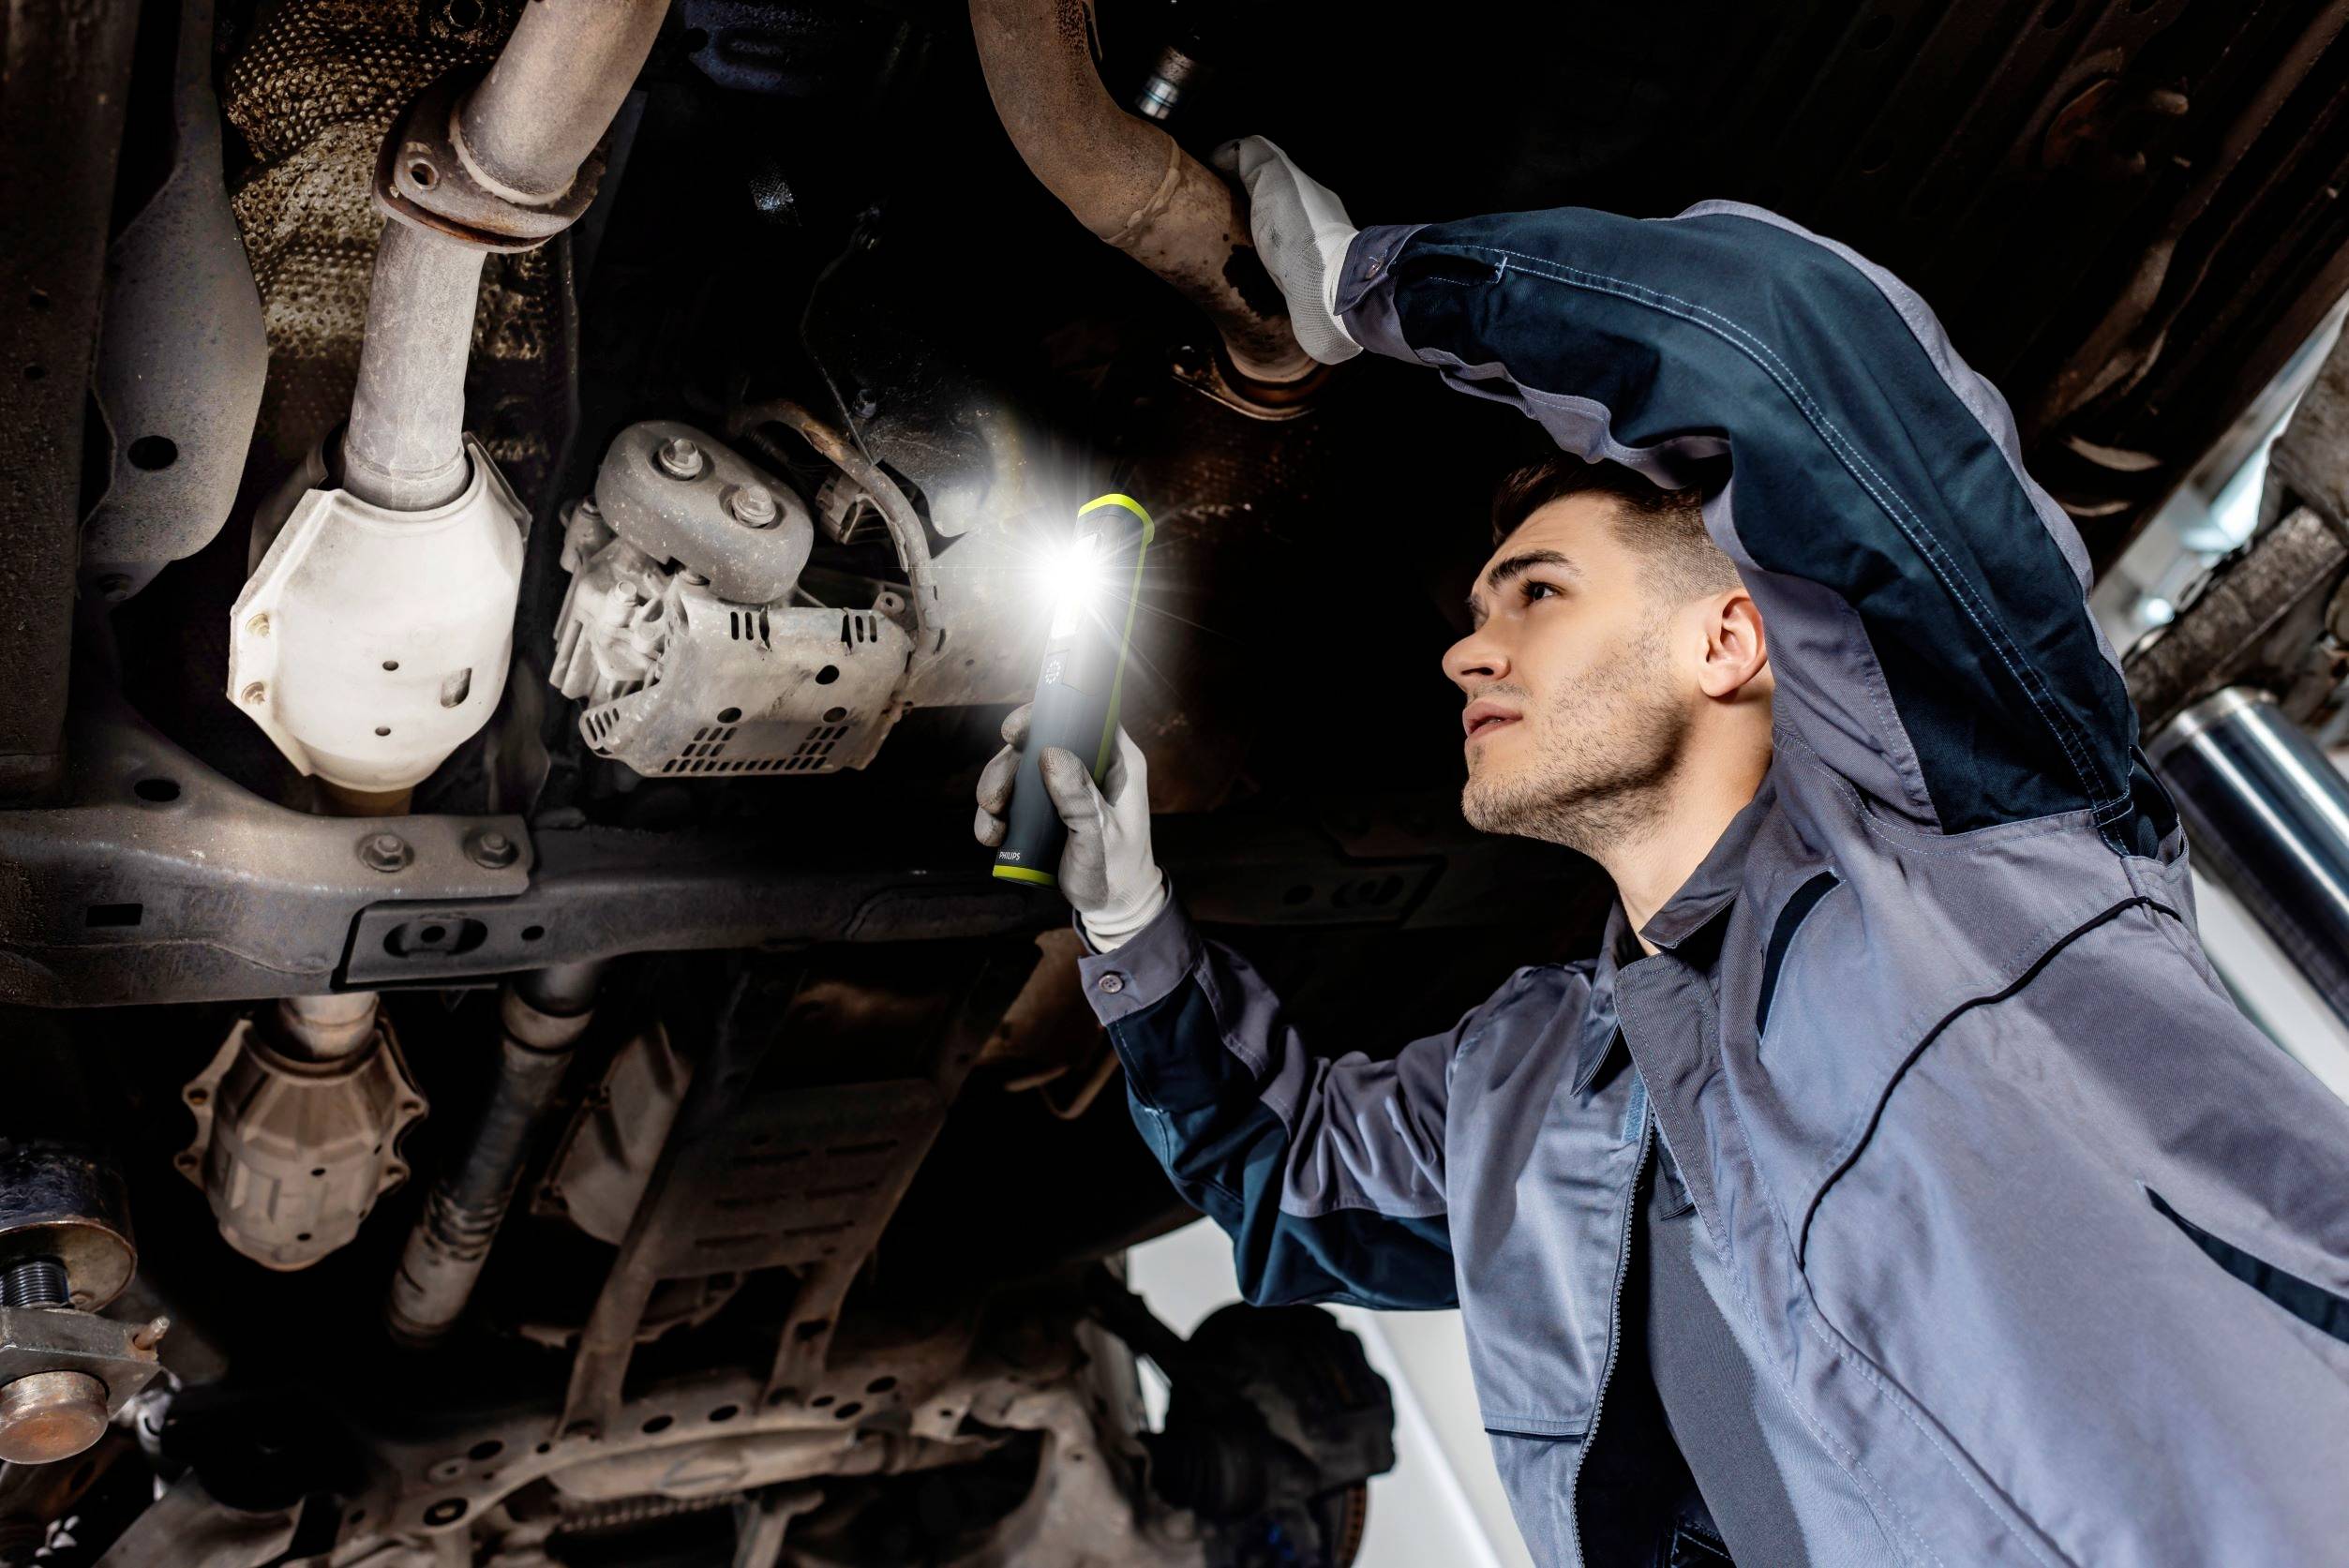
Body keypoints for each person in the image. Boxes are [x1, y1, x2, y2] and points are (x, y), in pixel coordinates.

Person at [972, 137, 2349, 1566]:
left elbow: (1783, 357)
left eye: (1535, 591)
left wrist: (1373, 286)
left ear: (1728, 636)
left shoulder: (1957, 846)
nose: (1463, 648)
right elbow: (1291, 1174)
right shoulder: (1530, 1085)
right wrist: (1127, 917)